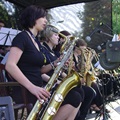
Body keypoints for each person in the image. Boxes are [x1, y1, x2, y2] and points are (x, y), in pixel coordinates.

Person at [5, 6, 81, 120]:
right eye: (42, 17)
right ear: (33, 18)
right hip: (26, 90)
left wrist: (55, 63)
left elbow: (39, 70)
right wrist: (33, 88)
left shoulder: (36, 41)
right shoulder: (22, 37)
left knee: (77, 96)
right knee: (74, 97)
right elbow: (10, 65)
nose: (46, 20)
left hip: (39, 87)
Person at [40, 25, 83, 120]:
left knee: (80, 92)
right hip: (47, 85)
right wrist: (59, 82)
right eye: (55, 35)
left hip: (53, 82)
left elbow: (56, 71)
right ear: (48, 36)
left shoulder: (52, 52)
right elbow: (40, 71)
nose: (58, 37)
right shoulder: (43, 50)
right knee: (76, 96)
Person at [54, 30, 96, 120]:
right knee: (84, 92)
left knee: (88, 91)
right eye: (67, 40)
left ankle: (83, 115)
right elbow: (51, 71)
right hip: (58, 81)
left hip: (63, 80)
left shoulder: (60, 53)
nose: (68, 43)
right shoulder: (60, 53)